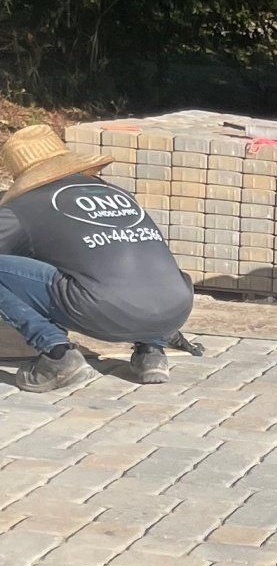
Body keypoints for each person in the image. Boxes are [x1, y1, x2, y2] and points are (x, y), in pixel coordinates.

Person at [0, 124, 195, 392]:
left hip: (105, 308)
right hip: (176, 307)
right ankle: (152, 349)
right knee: (129, 262)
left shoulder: (23, 205)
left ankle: (58, 355)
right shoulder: (117, 193)